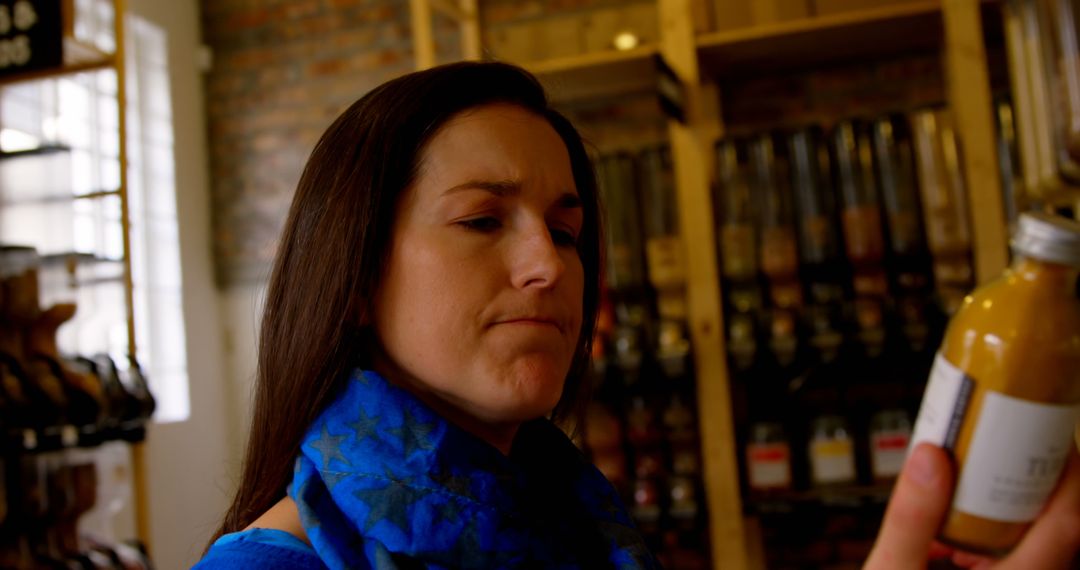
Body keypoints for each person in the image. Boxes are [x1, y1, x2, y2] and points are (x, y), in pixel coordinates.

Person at [195, 61, 1080, 569]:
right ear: (353, 277)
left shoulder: (575, 523)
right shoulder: (271, 569)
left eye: (569, 231)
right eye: (480, 221)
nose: (550, 265)